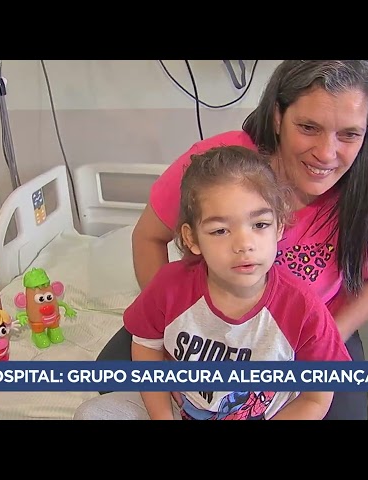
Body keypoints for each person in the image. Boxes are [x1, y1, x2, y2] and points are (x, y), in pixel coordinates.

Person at [96, 60, 368, 420]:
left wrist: (320, 337)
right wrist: (175, 327)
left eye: (349, 134)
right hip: (202, 316)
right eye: (308, 127)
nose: (325, 153)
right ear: (277, 116)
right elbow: (149, 236)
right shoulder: (217, 168)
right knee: (114, 377)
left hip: (302, 328)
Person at [75, 145, 352, 420]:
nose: (244, 244)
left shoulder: (302, 308)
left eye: (260, 225)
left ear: (279, 227)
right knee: (93, 413)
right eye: (220, 230)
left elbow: (316, 397)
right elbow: (146, 345)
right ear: (192, 239)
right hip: (182, 407)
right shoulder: (169, 287)